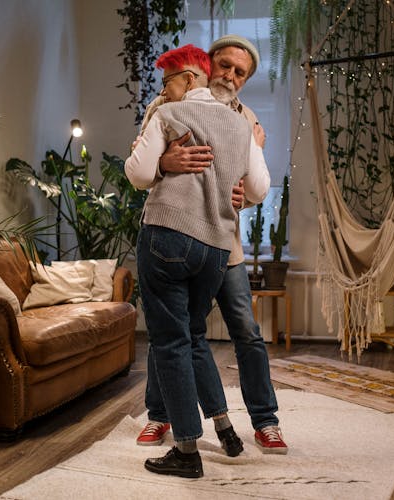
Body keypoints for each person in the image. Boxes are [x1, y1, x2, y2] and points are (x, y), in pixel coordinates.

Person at [135, 35, 289, 455]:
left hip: (225, 246)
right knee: (172, 327)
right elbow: (142, 165)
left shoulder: (248, 119)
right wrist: (167, 163)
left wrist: (245, 194)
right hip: (179, 233)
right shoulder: (165, 104)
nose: (230, 76)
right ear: (207, 64)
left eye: (240, 73)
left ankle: (265, 420)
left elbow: (257, 186)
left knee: (246, 332)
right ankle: (159, 414)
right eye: (224, 65)